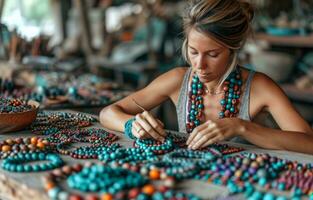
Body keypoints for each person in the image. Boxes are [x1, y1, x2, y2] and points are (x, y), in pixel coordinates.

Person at [100, 0, 313, 154]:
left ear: (233, 49)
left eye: (213, 54)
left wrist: (242, 127)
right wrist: (132, 125)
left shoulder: (260, 87)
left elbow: (308, 143)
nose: (199, 65)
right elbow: (108, 113)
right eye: (193, 51)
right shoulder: (176, 80)